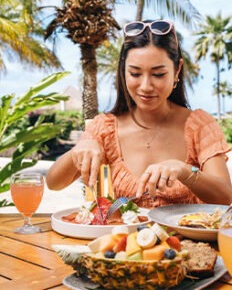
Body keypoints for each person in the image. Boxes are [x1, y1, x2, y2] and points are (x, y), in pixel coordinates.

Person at [46, 19, 232, 208]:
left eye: (158, 74)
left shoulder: (199, 125)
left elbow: (225, 196)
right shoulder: (105, 128)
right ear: (123, 72)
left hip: (187, 237)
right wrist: (80, 148)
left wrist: (184, 171)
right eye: (135, 74)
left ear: (177, 71)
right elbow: (54, 183)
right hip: (126, 238)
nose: (146, 86)